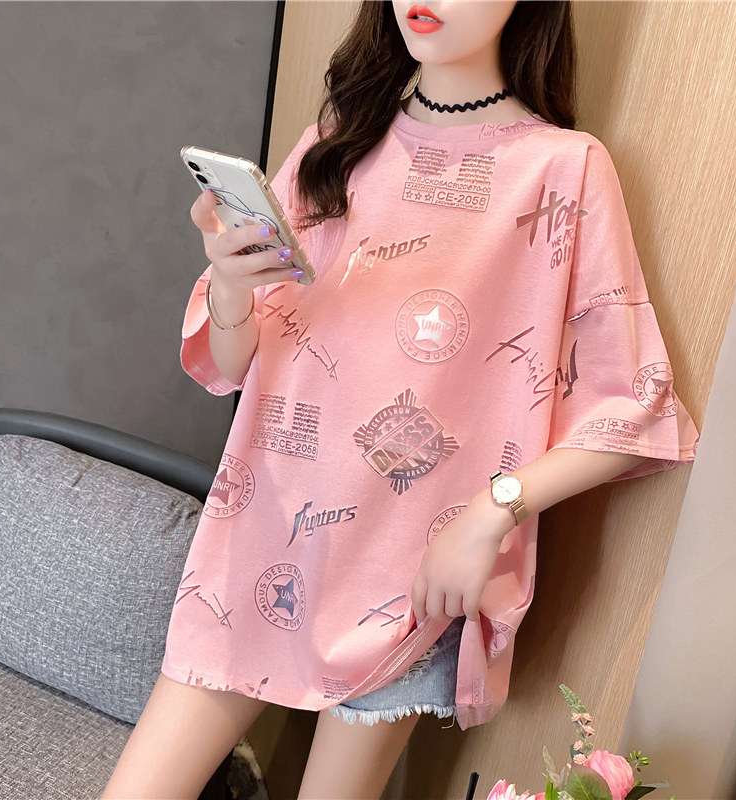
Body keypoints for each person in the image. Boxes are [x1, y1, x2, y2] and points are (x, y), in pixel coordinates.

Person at [102, 2, 700, 798]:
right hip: (260, 542)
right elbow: (232, 361)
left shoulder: (563, 170)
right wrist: (231, 284)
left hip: (411, 583)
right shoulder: (332, 146)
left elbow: (635, 407)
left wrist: (492, 513)